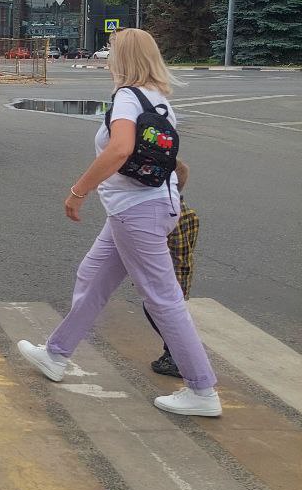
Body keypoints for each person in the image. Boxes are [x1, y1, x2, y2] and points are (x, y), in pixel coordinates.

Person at [17, 27, 221, 417]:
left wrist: (78, 191)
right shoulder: (158, 99)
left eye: (111, 52)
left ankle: (202, 389)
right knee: (92, 275)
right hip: (147, 206)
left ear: (122, 58)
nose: (107, 58)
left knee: (163, 299)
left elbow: (121, 148)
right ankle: (56, 355)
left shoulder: (128, 98)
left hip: (135, 212)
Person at [145, 160, 199, 378]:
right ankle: (175, 353)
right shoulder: (190, 213)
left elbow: (162, 248)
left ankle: (176, 356)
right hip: (182, 273)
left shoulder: (167, 216)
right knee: (163, 313)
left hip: (169, 276)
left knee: (158, 313)